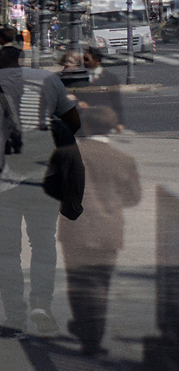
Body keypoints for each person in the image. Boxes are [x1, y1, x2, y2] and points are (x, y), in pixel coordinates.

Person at [0, 45, 73, 335]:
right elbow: (73, 123)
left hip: (0, 186)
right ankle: (41, 304)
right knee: (44, 244)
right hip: (42, 178)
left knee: (8, 253)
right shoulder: (47, 80)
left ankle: (14, 316)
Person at [58, 98, 142, 355]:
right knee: (100, 283)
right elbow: (134, 197)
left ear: (87, 126)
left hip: (76, 229)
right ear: (112, 127)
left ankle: (86, 329)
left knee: (77, 281)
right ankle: (92, 335)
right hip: (109, 230)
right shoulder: (123, 159)